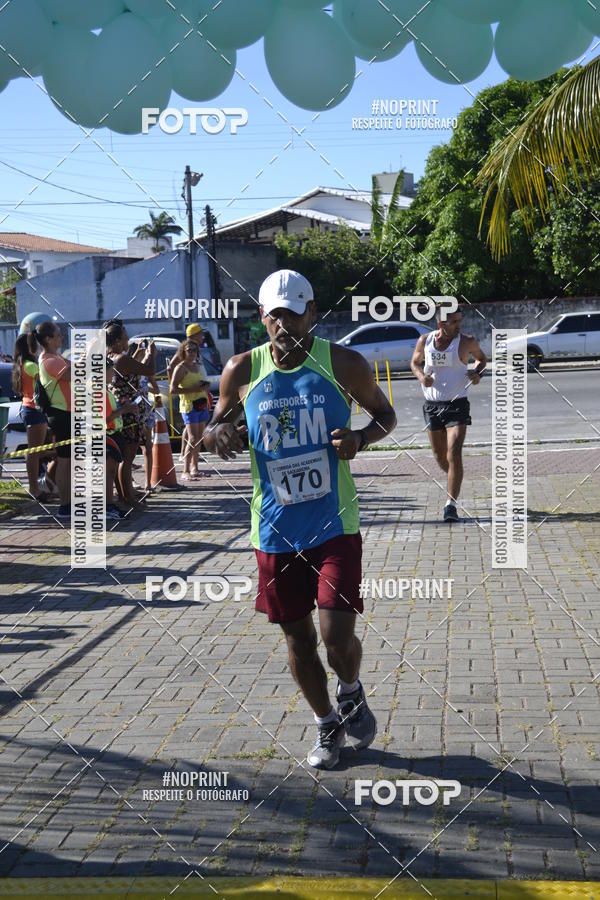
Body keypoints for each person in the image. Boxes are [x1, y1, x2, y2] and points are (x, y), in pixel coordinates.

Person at [204, 270, 397, 770]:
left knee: (335, 639)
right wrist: (218, 438)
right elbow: (214, 431)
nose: (283, 322)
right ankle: (326, 723)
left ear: (312, 313)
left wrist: (359, 439)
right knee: (298, 640)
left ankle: (350, 688)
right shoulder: (242, 370)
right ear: (262, 318)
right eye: (274, 313)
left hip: (335, 524)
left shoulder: (344, 363)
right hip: (274, 529)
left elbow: (385, 415)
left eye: (293, 312)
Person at [410, 306, 487, 522]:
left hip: (457, 404)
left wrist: (476, 373)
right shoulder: (424, 341)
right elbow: (415, 363)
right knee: (440, 456)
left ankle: (450, 505)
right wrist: (421, 377)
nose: (458, 325)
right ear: (440, 324)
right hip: (432, 405)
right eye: (453, 322)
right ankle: (456, 477)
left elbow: (482, 359)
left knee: (454, 452)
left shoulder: (466, 341)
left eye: (460, 321)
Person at [104, 320, 156, 507]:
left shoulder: (109, 356)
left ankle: (125, 495)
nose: (127, 341)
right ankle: (129, 498)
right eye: (125, 338)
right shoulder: (122, 358)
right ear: (117, 341)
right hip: (130, 413)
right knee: (127, 459)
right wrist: (151, 355)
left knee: (121, 458)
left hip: (120, 409)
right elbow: (149, 370)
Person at [36, 321, 72, 518]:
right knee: (65, 462)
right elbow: (74, 374)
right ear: (48, 339)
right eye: (58, 335)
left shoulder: (55, 356)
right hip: (60, 414)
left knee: (67, 461)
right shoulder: (49, 360)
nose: (61, 338)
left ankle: (68, 502)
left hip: (65, 414)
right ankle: (65, 505)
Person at [11, 333, 50, 501]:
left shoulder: (23, 364)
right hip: (34, 410)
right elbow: (47, 380)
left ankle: (42, 484)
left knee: (39, 451)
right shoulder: (31, 365)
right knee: (33, 453)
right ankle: (34, 489)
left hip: (32, 409)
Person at [169, 339, 211, 480]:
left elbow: (200, 385)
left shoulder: (197, 366)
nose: (192, 353)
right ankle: (185, 471)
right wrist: (196, 389)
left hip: (201, 404)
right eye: (189, 350)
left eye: (194, 350)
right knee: (192, 438)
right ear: (183, 352)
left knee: (199, 438)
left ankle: (195, 468)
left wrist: (204, 388)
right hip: (188, 406)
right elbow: (173, 389)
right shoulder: (181, 367)